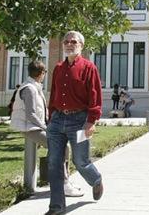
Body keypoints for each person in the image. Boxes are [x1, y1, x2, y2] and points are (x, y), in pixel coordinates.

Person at [46, 31, 104, 215]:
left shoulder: (89, 68)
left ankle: (96, 180)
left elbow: (95, 97)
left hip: (79, 122)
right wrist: (51, 116)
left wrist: (91, 121)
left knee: (81, 162)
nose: (69, 44)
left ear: (81, 45)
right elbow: (53, 93)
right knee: (54, 164)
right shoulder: (58, 68)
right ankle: (56, 207)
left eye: (73, 41)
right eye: (66, 41)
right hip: (56, 122)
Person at [10, 61, 83, 197]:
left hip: (34, 126)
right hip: (30, 128)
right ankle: (63, 183)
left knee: (63, 147)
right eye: (44, 73)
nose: (45, 75)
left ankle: (61, 180)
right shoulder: (30, 89)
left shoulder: (33, 87)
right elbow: (30, 114)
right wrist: (47, 128)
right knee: (62, 148)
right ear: (41, 73)